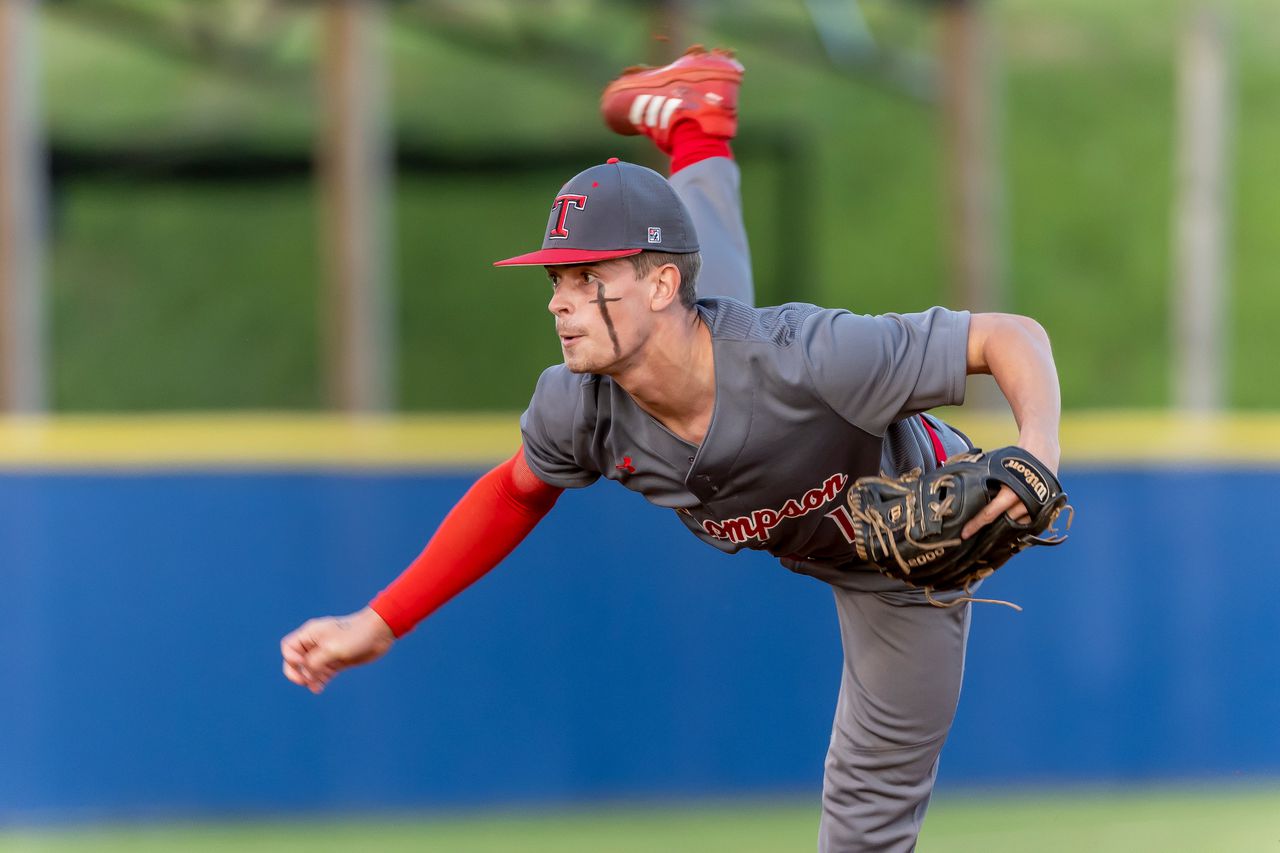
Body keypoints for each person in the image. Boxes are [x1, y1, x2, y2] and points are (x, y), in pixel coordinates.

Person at [281, 46, 1062, 852]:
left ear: (653, 283)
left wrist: (1038, 452)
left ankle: (697, 129)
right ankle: (699, 124)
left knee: (867, 819)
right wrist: (381, 619)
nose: (563, 303)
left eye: (588, 279)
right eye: (556, 280)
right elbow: (516, 491)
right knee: (705, 312)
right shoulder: (579, 403)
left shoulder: (816, 357)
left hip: (905, 565)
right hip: (712, 363)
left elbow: (1011, 337)